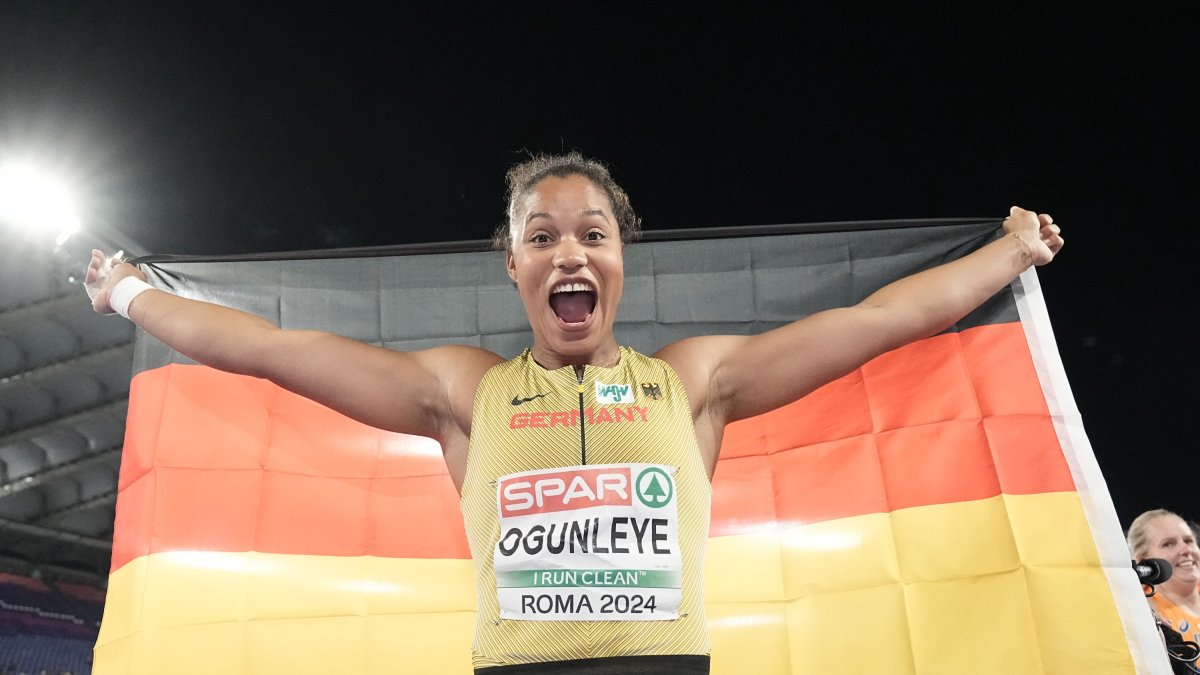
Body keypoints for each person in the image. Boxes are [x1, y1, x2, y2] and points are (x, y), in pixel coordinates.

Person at [85, 151, 1063, 674]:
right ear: (512, 264)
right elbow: (267, 350)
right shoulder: (462, 393)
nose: (568, 252)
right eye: (540, 236)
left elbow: (881, 318)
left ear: (621, 259)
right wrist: (128, 293)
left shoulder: (694, 384)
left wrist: (1012, 252)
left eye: (592, 233)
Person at [1128, 509, 1200, 648]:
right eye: (1168, 544)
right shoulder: (1143, 613)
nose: (1186, 550)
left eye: (1188, 540)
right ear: (1143, 560)